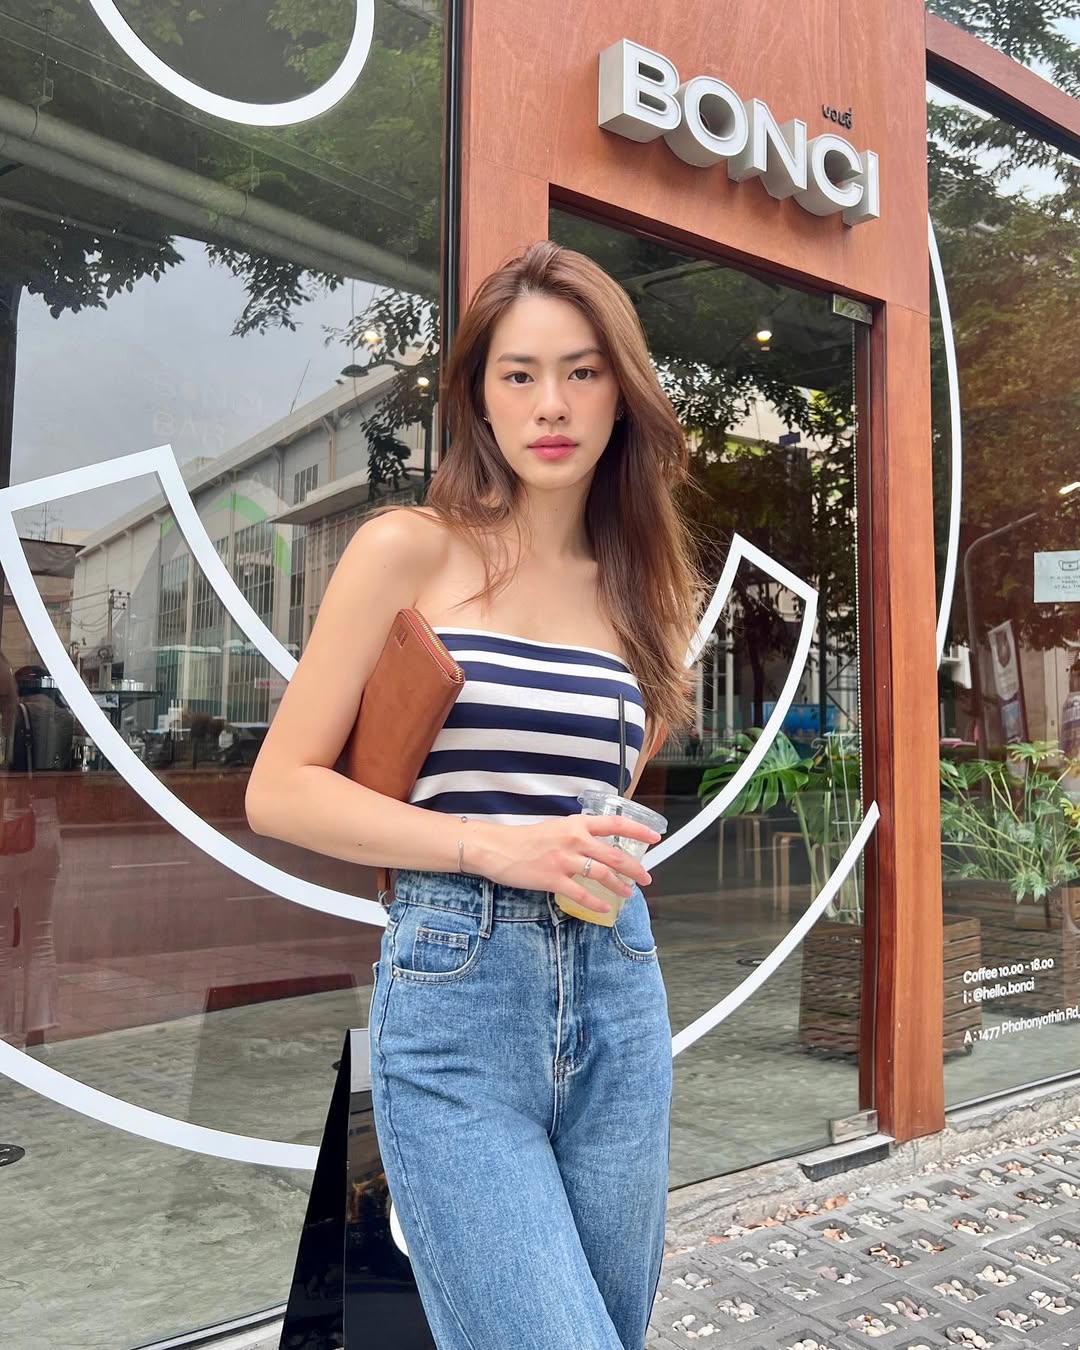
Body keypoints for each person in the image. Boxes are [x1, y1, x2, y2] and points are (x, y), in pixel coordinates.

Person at [246, 240, 702, 1350]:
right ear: (480, 399)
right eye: (519, 374)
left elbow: (601, 795)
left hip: (619, 987)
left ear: (622, 394)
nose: (553, 404)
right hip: (459, 987)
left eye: (583, 371)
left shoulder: (645, 594)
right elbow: (281, 791)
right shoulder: (410, 551)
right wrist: (490, 848)